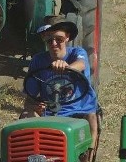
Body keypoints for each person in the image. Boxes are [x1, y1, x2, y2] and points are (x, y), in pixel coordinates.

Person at [22, 16, 99, 162]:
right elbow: (29, 99)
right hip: (50, 113)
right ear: (44, 38)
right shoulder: (38, 61)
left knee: (92, 118)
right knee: (27, 115)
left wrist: (67, 67)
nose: (54, 43)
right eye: (49, 40)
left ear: (67, 37)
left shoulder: (77, 53)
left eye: (59, 39)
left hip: (79, 111)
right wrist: (35, 107)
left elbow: (81, 64)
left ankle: (88, 155)